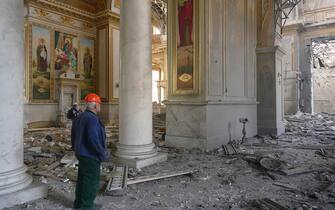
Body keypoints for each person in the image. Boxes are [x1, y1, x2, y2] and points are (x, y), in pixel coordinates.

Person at [71, 93, 109, 210]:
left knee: (82, 180)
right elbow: (93, 139)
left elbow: (73, 135)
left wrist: (76, 149)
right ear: (95, 106)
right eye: (99, 104)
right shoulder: (92, 119)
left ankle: (78, 205)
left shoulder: (79, 117)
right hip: (90, 155)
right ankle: (87, 207)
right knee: (91, 183)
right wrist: (102, 153)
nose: (100, 107)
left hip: (81, 153)